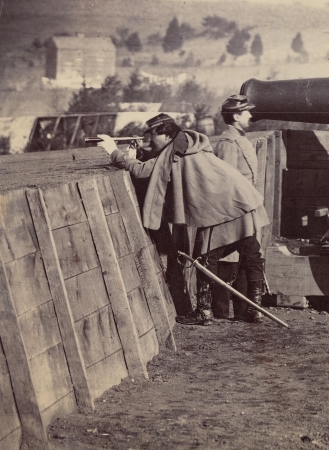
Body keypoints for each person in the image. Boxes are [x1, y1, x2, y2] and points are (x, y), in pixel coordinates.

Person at [97, 113, 268, 326]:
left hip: (218, 209)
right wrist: (142, 152)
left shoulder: (173, 151)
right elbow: (163, 161)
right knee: (251, 254)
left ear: (165, 133)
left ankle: (204, 312)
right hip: (241, 199)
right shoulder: (189, 142)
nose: (150, 140)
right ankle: (255, 310)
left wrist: (113, 151)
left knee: (205, 258)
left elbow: (143, 171)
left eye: (151, 135)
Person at [210, 94, 268, 323]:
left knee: (245, 258)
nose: (251, 116)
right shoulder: (228, 143)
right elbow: (227, 182)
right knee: (237, 257)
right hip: (234, 212)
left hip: (245, 210)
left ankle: (244, 310)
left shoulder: (239, 139)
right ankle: (227, 311)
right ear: (236, 116)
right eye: (246, 112)